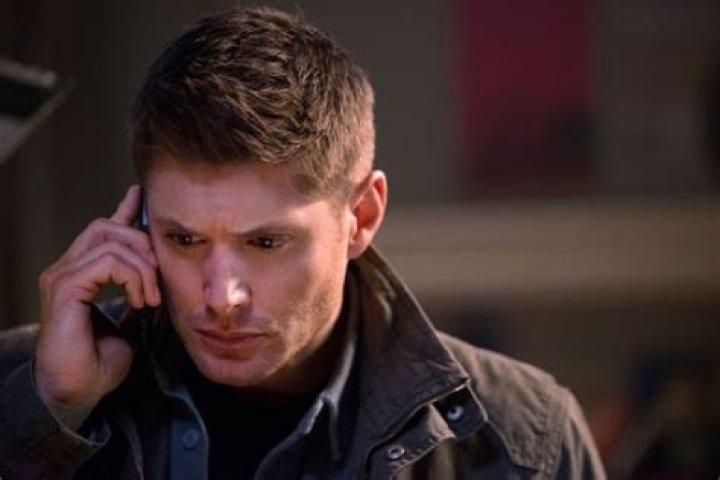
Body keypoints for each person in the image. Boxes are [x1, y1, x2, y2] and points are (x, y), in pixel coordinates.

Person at [0, 6, 605, 479]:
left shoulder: (527, 439)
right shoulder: (22, 387)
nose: (222, 297)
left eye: (265, 242)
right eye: (183, 238)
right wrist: (48, 411)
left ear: (361, 216)